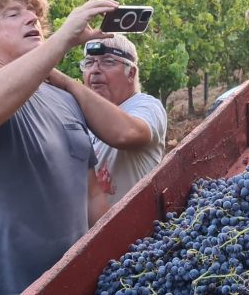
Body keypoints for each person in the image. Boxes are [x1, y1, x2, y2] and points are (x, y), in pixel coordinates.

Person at [0, 0, 113, 295]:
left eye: (34, 14)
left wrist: (113, 256)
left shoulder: (64, 99)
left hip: (73, 284)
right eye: (13, 14)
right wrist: (63, 39)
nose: (31, 19)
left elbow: (92, 195)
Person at [46, 35, 168, 207]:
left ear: (131, 73)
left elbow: (127, 134)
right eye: (89, 63)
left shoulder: (147, 106)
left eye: (108, 62)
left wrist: (68, 84)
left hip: (136, 223)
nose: (95, 69)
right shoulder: (81, 114)